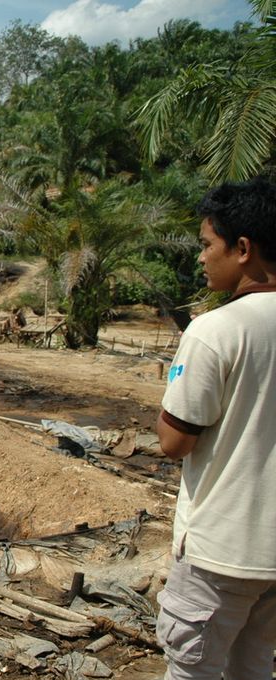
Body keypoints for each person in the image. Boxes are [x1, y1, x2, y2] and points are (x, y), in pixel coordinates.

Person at [154, 176, 276, 679]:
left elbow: (174, 441)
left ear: (242, 248)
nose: (201, 258)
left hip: (222, 552)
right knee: (255, 667)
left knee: (194, 669)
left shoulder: (217, 330)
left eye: (208, 245)